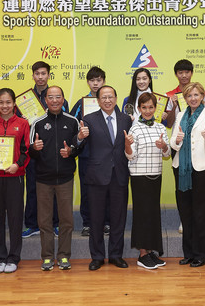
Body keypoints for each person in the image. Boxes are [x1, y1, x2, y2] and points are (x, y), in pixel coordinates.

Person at [29, 86, 82, 271]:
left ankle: (64, 256)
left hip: (66, 179)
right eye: (50, 97)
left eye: (57, 97)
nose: (54, 100)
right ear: (45, 100)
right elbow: (29, 151)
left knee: (67, 220)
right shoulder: (37, 122)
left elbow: (78, 146)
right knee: (44, 221)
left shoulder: (72, 121)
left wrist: (71, 151)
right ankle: (47, 257)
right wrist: (34, 148)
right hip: (43, 179)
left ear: (63, 99)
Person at [81, 85, 132, 271]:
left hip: (119, 174)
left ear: (116, 99)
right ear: (98, 100)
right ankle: (97, 257)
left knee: (118, 218)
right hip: (97, 176)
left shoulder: (126, 119)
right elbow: (79, 145)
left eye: (111, 97)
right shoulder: (88, 119)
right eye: (104, 97)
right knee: (96, 219)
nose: (107, 100)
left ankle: (116, 256)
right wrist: (79, 137)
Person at [0, 88, 30, 274]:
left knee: (16, 218)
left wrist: (18, 165)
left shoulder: (23, 123)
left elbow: (26, 150)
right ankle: (0, 258)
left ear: (14, 103)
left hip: (15, 177)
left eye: (8, 102)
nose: (5, 106)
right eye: (1, 102)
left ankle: (14, 257)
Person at [170, 82, 205, 267]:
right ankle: (189, 253)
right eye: (189, 96)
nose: (193, 98)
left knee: (201, 214)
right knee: (186, 213)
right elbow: (173, 144)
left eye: (196, 95)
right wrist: (177, 140)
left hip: (202, 170)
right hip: (181, 169)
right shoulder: (180, 115)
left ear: (203, 96)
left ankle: (202, 254)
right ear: (185, 98)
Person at [22, 61, 69, 239]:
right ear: (33, 75)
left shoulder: (56, 95)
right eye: (37, 74)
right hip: (34, 152)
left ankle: (55, 224)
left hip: (55, 152)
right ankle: (32, 224)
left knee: (56, 190)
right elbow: (19, 122)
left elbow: (66, 119)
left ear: (48, 75)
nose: (40, 77)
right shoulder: (25, 99)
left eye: (43, 73)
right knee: (32, 188)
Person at [124, 92, 171, 269]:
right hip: (139, 177)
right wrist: (127, 144)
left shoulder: (160, 128)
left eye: (151, 107)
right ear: (139, 109)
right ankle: (142, 254)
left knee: (152, 215)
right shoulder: (134, 128)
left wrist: (164, 146)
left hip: (155, 176)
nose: (148, 110)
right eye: (144, 107)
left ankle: (150, 251)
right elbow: (131, 156)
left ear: (155, 108)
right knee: (142, 215)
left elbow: (167, 154)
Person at [70, 66, 110, 237]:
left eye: (99, 80)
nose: (96, 83)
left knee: (106, 189)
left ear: (104, 81)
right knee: (87, 190)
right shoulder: (81, 103)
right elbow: (72, 124)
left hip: (106, 155)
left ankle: (106, 222)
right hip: (86, 155)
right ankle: (87, 223)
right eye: (92, 80)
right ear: (88, 82)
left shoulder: (109, 102)